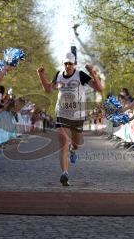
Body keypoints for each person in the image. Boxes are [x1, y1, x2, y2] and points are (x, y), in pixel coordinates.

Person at [37, 52, 103, 186]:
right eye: (66, 63)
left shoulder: (81, 75)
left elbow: (99, 88)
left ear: (74, 64)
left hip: (77, 115)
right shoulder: (59, 75)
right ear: (63, 64)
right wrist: (41, 75)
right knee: (63, 145)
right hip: (62, 113)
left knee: (76, 144)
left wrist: (92, 73)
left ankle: (73, 149)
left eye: (70, 63)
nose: (68, 66)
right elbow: (48, 89)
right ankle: (65, 173)